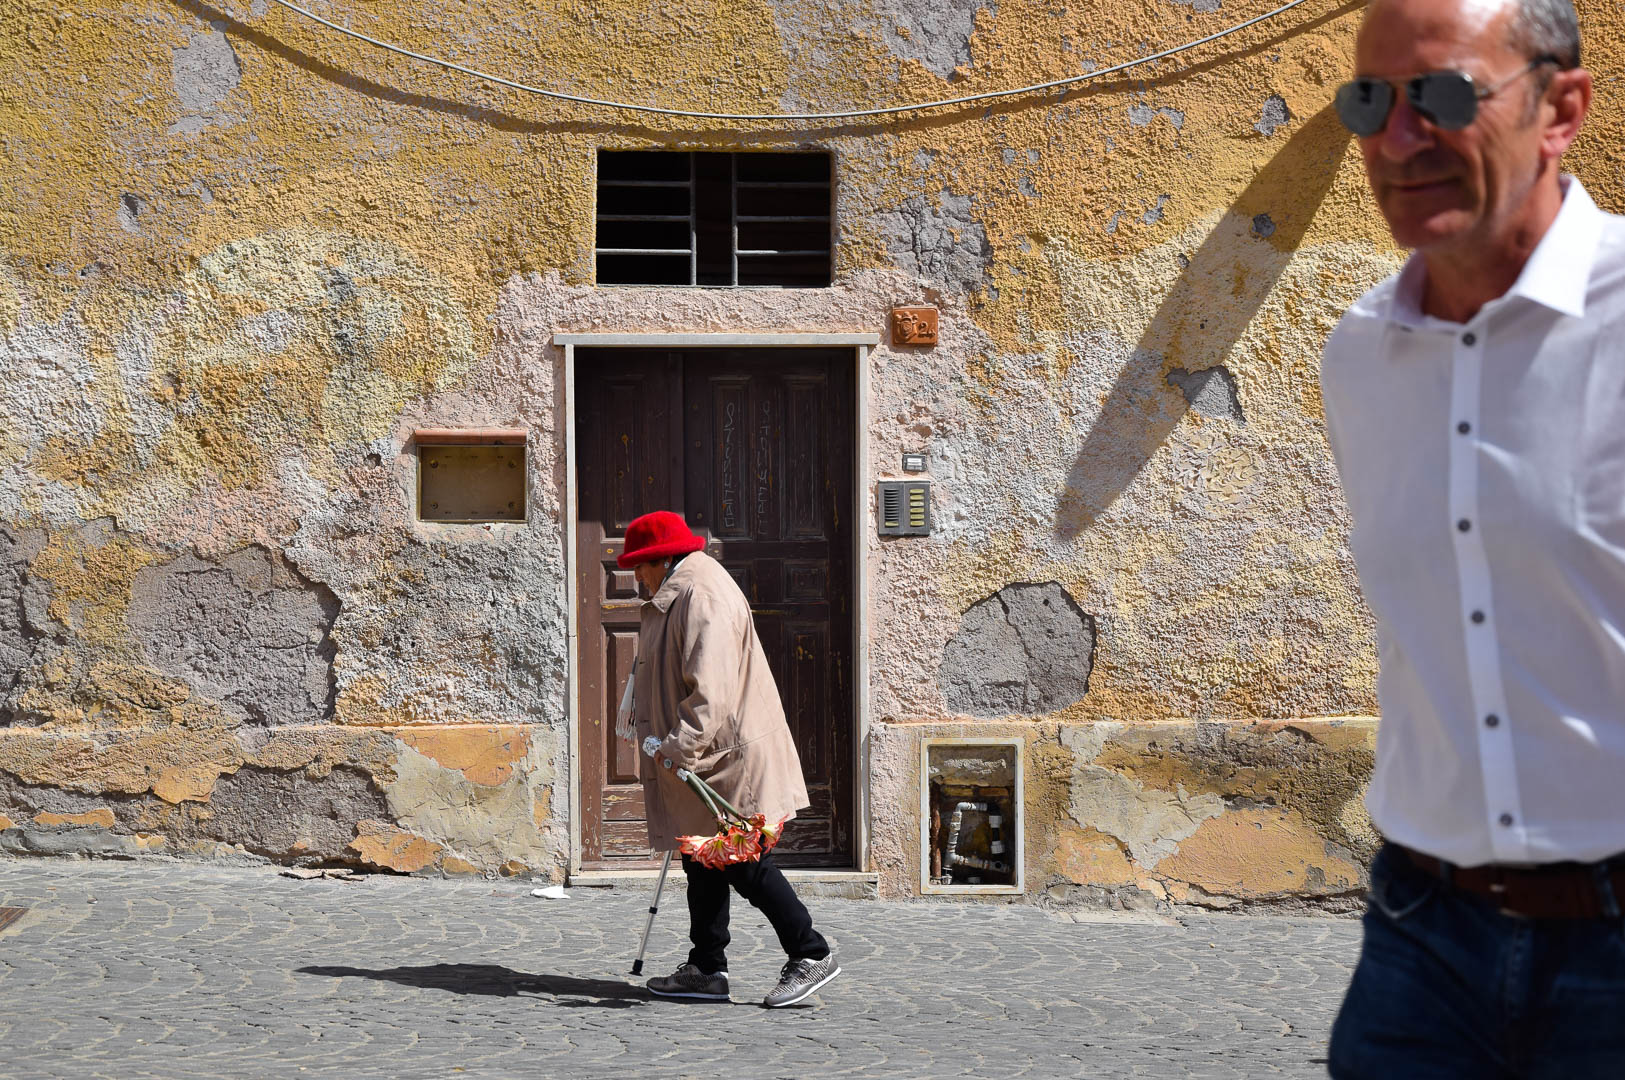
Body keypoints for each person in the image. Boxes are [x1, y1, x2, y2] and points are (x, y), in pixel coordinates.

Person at [1319, 0, 1625, 1075]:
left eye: (1443, 96)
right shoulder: (1357, 358)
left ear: (1560, 108)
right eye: (1368, 101)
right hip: (1419, 936)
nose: (1399, 140)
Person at [617, 510, 841, 1008]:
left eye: (640, 566)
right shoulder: (678, 591)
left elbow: (709, 693)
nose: (636, 577)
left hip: (724, 761)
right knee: (702, 861)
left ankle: (810, 953)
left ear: (662, 559)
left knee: (745, 862)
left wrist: (677, 748)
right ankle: (706, 967)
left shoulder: (702, 596)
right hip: (707, 761)